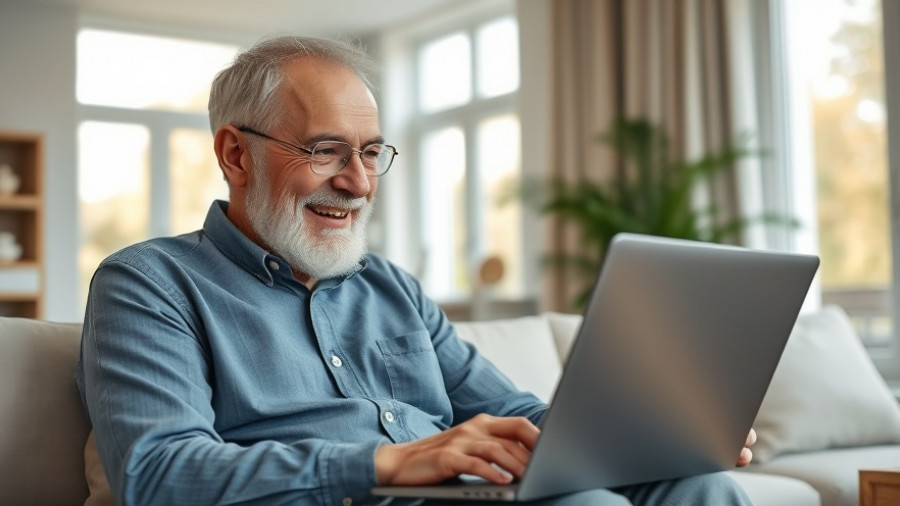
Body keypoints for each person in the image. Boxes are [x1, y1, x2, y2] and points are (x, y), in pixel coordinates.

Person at [75, 36, 756, 506]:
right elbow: (158, 473)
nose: (359, 183)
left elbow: (510, 410)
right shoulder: (150, 283)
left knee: (703, 486)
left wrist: (651, 429)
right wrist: (384, 463)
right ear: (235, 154)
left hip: (470, 491)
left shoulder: (388, 287)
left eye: (371, 153)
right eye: (327, 151)